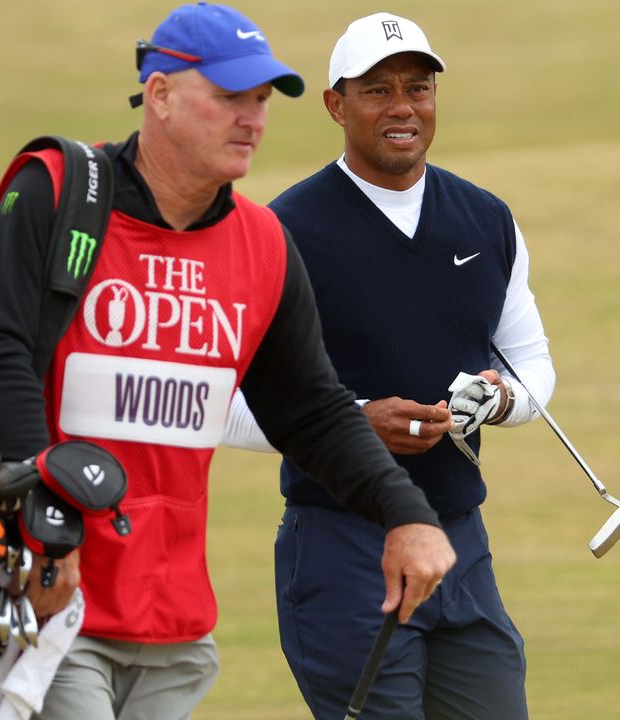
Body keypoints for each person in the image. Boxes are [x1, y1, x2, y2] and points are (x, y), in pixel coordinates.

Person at [0, 3, 457, 718]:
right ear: (159, 94)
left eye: (260, 100)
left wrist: (407, 513)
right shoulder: (55, 191)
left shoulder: (263, 243)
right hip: (51, 595)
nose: (251, 118)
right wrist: (51, 529)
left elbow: (310, 409)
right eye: (227, 97)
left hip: (174, 624)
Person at [223, 12, 556, 720]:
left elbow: (531, 365)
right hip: (343, 548)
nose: (403, 106)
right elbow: (219, 399)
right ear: (336, 105)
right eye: (376, 90)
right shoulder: (282, 234)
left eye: (418, 87)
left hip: (461, 540)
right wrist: (352, 425)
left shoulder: (485, 219)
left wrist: (499, 402)